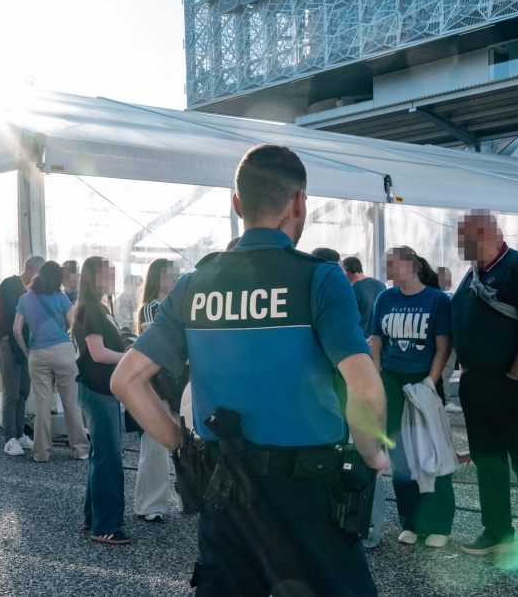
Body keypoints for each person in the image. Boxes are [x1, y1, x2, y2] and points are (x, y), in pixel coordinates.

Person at [112, 144, 388, 596]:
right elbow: (367, 389)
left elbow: (126, 380)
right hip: (308, 497)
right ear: (299, 202)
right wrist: (372, 453)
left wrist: (184, 446)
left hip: (225, 493)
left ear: (237, 204)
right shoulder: (319, 278)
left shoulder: (193, 285)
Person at [452, 209, 518, 572]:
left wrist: (517, 373)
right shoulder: (472, 276)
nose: (461, 243)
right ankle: (497, 531)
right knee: (488, 460)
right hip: (477, 383)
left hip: (513, 383)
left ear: (492, 234)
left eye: (468, 236)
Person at [369, 246, 455, 548]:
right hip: (392, 382)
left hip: (423, 383)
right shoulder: (385, 298)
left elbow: (443, 347)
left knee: (432, 453)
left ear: (413, 265)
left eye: (394, 264)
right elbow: (377, 341)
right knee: (401, 455)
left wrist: (430, 382)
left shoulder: (437, 300)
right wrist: (377, 377)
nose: (389, 271)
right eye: (387, 265)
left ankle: (439, 525)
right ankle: (411, 522)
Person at [73, 256, 131, 544]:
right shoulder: (92, 309)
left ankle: (94, 518)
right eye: (107, 273)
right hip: (98, 390)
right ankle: (106, 526)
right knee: (109, 459)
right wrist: (130, 358)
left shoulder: (95, 307)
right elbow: (98, 353)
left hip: (98, 390)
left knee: (101, 456)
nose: (112, 277)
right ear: (93, 277)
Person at [13, 260, 89, 463]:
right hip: (63, 352)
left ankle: (41, 453)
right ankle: (80, 450)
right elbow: (74, 323)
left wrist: (27, 352)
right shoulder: (61, 297)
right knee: (71, 403)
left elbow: (16, 330)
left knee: (42, 405)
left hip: (37, 354)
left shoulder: (25, 298)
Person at [134, 258, 180, 523]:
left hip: (177, 382)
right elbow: (158, 339)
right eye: (170, 274)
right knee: (155, 447)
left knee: (181, 443)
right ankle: (150, 504)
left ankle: (181, 499)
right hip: (159, 384)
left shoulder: (174, 305)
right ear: (157, 277)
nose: (175, 278)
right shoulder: (151, 307)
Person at [0, 255, 44, 457]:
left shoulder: (34, 290)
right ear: (29, 269)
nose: (40, 278)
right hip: (7, 342)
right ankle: (9, 438)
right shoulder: (9, 285)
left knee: (23, 390)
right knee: (11, 391)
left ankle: (19, 434)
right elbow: (5, 316)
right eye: (38, 272)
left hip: (25, 344)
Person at [435, 266, 463, 413]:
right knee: (446, 370)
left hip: (440, 340)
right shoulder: (447, 296)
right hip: (448, 340)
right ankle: (444, 401)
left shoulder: (432, 295)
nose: (450, 281)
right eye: (447, 278)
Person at [343, 256, 386, 338]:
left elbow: (348, 318)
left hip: (361, 338)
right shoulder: (381, 285)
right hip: (379, 338)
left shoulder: (354, 289)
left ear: (346, 272)